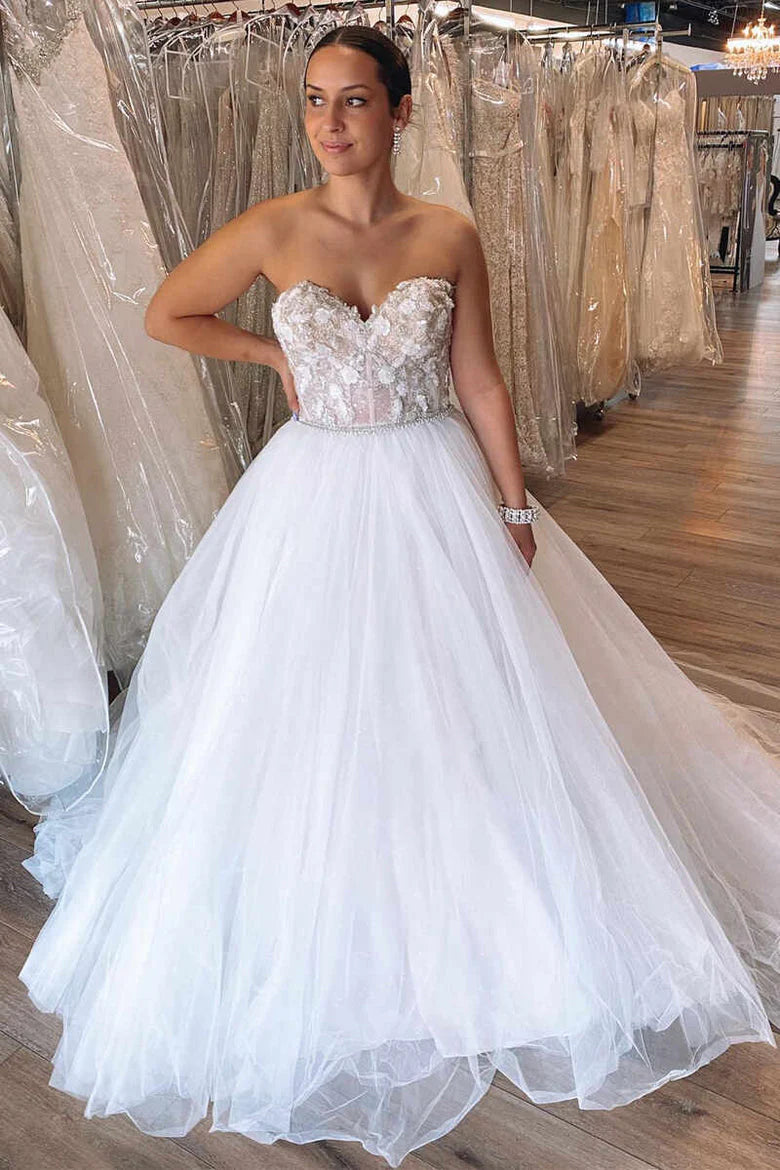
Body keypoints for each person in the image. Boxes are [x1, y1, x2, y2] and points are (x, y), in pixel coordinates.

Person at [17, 24, 780, 1170]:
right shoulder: (273, 228)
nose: (330, 123)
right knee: (304, 705)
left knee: (460, 696)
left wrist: (514, 508)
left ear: (402, 111)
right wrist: (274, 358)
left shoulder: (447, 233)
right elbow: (167, 313)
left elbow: (481, 378)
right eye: (316, 101)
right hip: (312, 492)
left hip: (433, 485)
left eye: (356, 101)